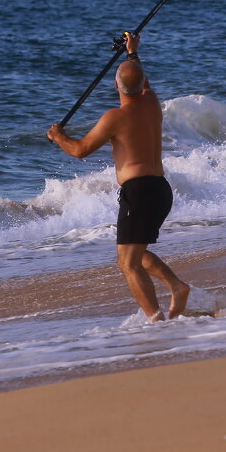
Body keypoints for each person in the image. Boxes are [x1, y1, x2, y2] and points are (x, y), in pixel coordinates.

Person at [47, 32, 189, 322]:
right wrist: (132, 52)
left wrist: (59, 136)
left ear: (115, 85)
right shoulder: (152, 103)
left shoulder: (114, 118)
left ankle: (156, 321)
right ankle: (177, 286)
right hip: (161, 190)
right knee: (134, 252)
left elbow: (80, 150)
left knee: (127, 263)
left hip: (138, 192)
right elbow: (141, 80)